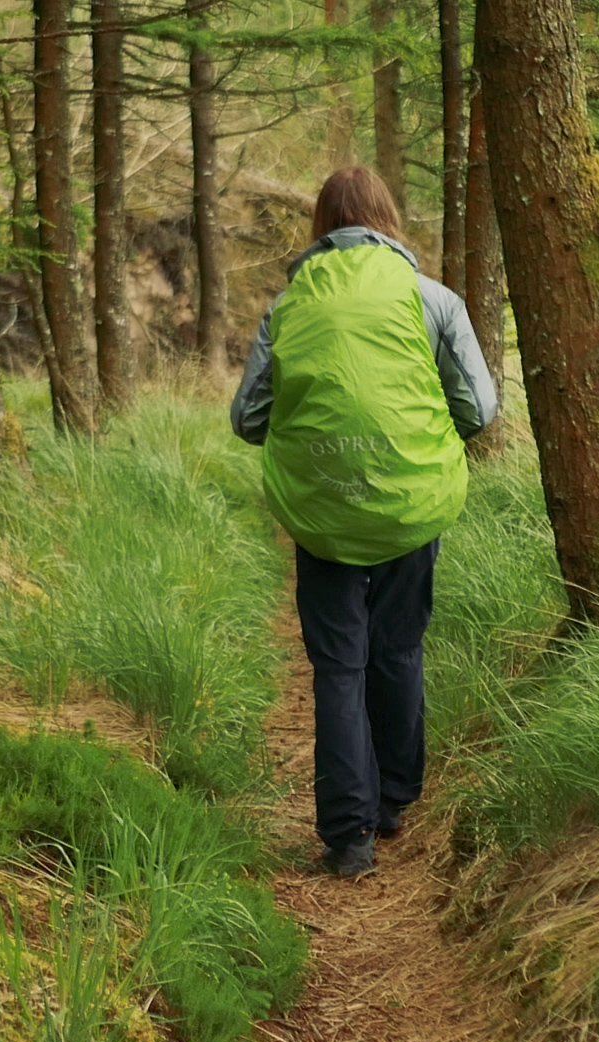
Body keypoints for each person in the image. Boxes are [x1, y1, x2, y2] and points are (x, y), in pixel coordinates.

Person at [231, 167, 498, 878]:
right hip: (412, 506)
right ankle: (394, 801)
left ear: (322, 225)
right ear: (388, 220)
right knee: (399, 649)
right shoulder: (433, 300)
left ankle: (349, 839)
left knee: (338, 667)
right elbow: (479, 407)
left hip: (322, 515)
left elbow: (246, 418)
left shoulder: (289, 307)